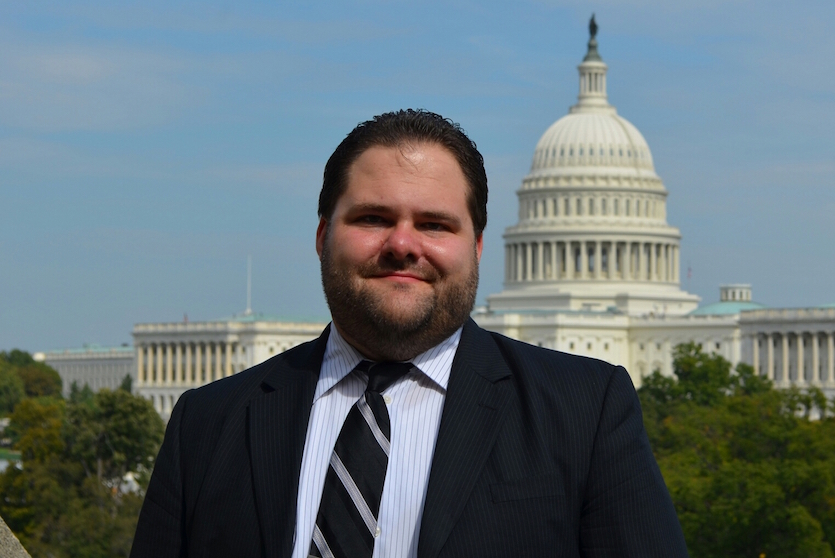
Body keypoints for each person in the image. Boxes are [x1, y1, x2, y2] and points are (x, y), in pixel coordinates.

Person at [131, 109, 689, 558]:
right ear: (323, 235)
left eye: (434, 224)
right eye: (373, 218)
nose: (403, 244)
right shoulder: (208, 424)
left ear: (476, 247)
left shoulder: (582, 412)